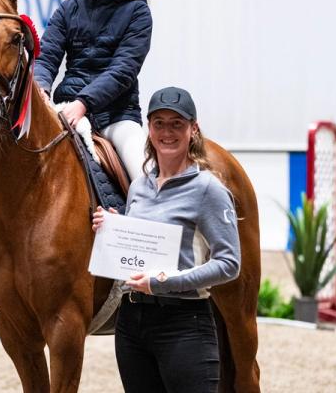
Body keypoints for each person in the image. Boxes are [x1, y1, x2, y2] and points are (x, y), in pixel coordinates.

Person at [92, 86, 241, 393]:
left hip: (184, 322)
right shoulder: (139, 187)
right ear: (150, 128)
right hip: (131, 321)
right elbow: (140, 249)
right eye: (159, 123)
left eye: (177, 124)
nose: (167, 132)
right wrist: (114, 230)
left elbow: (230, 264)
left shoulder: (208, 189)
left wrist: (164, 282)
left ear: (193, 129)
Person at [35, 0, 152, 182]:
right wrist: (41, 87)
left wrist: (84, 103)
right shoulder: (68, 9)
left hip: (117, 116)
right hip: (66, 108)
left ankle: (151, 217)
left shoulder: (138, 12)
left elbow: (124, 69)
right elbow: (47, 55)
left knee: (145, 175)